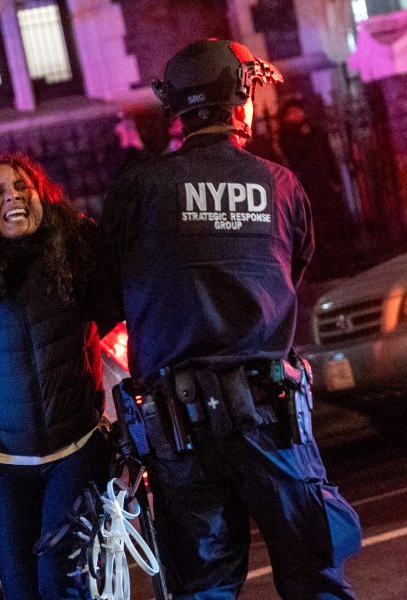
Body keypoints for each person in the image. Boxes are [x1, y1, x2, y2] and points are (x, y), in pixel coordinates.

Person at [101, 39, 362, 599]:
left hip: (178, 428)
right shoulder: (282, 184)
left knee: (203, 588)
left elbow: (107, 290)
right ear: (240, 98)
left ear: (175, 106)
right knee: (314, 572)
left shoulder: (138, 190)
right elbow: (296, 267)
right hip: (272, 419)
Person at [0, 154, 115, 600]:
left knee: (58, 583)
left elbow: (118, 307)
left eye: (23, 187)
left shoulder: (75, 252)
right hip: (6, 468)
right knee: (21, 592)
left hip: (75, 453)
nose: (13, 197)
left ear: (41, 194)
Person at [278, 98, 355, 280]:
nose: (297, 115)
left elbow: (328, 157)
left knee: (334, 227)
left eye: (298, 111)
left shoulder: (316, 132)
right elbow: (294, 159)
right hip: (307, 189)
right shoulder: (287, 137)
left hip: (324, 187)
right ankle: (322, 270)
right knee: (315, 230)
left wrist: (335, 180)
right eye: (292, 113)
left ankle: (342, 263)